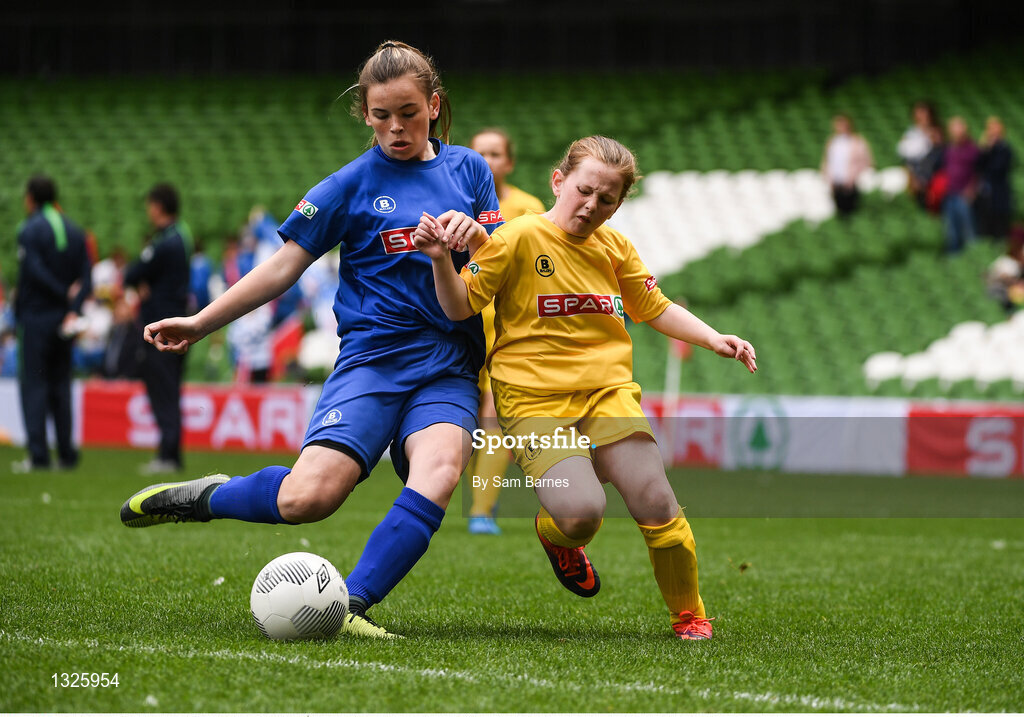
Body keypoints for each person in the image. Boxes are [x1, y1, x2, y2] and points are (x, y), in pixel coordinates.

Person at [118, 41, 503, 639]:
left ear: (433, 105)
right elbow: (281, 268)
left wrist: (476, 238)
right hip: (371, 362)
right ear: (365, 113)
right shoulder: (348, 185)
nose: (395, 127)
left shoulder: (470, 171)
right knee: (309, 500)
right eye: (381, 115)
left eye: (408, 112)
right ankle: (211, 496)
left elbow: (496, 265)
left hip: (448, 363)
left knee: (441, 469)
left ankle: (353, 604)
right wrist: (200, 323)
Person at [415, 136, 757, 640]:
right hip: (532, 400)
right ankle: (557, 535)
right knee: (582, 514)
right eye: (584, 191)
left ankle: (690, 616)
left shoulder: (614, 247)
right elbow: (459, 307)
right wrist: (442, 260)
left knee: (655, 499)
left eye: (607, 199)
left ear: (620, 203)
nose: (591, 205)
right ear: (559, 181)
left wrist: (713, 338)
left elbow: (654, 306)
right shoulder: (517, 238)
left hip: (607, 392)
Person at [464, 128, 546, 536]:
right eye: (480, 153)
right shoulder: (454, 202)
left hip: (506, 332)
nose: (488, 160)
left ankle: (481, 510)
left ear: (509, 162)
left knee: (494, 417)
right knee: (460, 420)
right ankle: (454, 501)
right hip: (458, 327)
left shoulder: (529, 208)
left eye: (495, 153)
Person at [12, 175, 92, 472]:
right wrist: (72, 305)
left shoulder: (28, 229)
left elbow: (32, 272)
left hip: (36, 318)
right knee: (60, 384)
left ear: (31, 198)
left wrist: (58, 293)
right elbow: (87, 277)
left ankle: (39, 456)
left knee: (35, 384)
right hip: (64, 320)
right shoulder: (74, 229)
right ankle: (67, 455)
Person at [123, 184, 193, 474]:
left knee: (163, 391)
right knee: (170, 391)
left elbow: (132, 273)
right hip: (175, 321)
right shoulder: (182, 236)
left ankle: (168, 455)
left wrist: (142, 282)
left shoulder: (165, 241)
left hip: (162, 328)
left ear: (158, 206)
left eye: (150, 205)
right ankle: (171, 454)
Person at [821, 114, 873, 218]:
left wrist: (855, 176)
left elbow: (866, 160)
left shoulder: (857, 141)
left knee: (852, 209)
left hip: (851, 183)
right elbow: (827, 160)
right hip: (835, 182)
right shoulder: (832, 142)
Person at [942, 116, 980, 253]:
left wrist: (972, 190)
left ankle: (975, 258)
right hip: (949, 194)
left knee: (969, 231)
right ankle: (954, 259)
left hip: (964, 195)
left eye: (957, 127)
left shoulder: (972, 149)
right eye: (952, 128)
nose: (954, 131)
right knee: (952, 231)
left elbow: (979, 172)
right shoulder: (949, 148)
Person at [976, 116, 1014, 240]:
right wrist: (985, 149)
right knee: (984, 231)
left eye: (995, 129)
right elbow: (978, 166)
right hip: (985, 197)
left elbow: (997, 169)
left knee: (1000, 231)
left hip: (999, 197)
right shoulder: (985, 149)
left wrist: (991, 149)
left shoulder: (1005, 149)